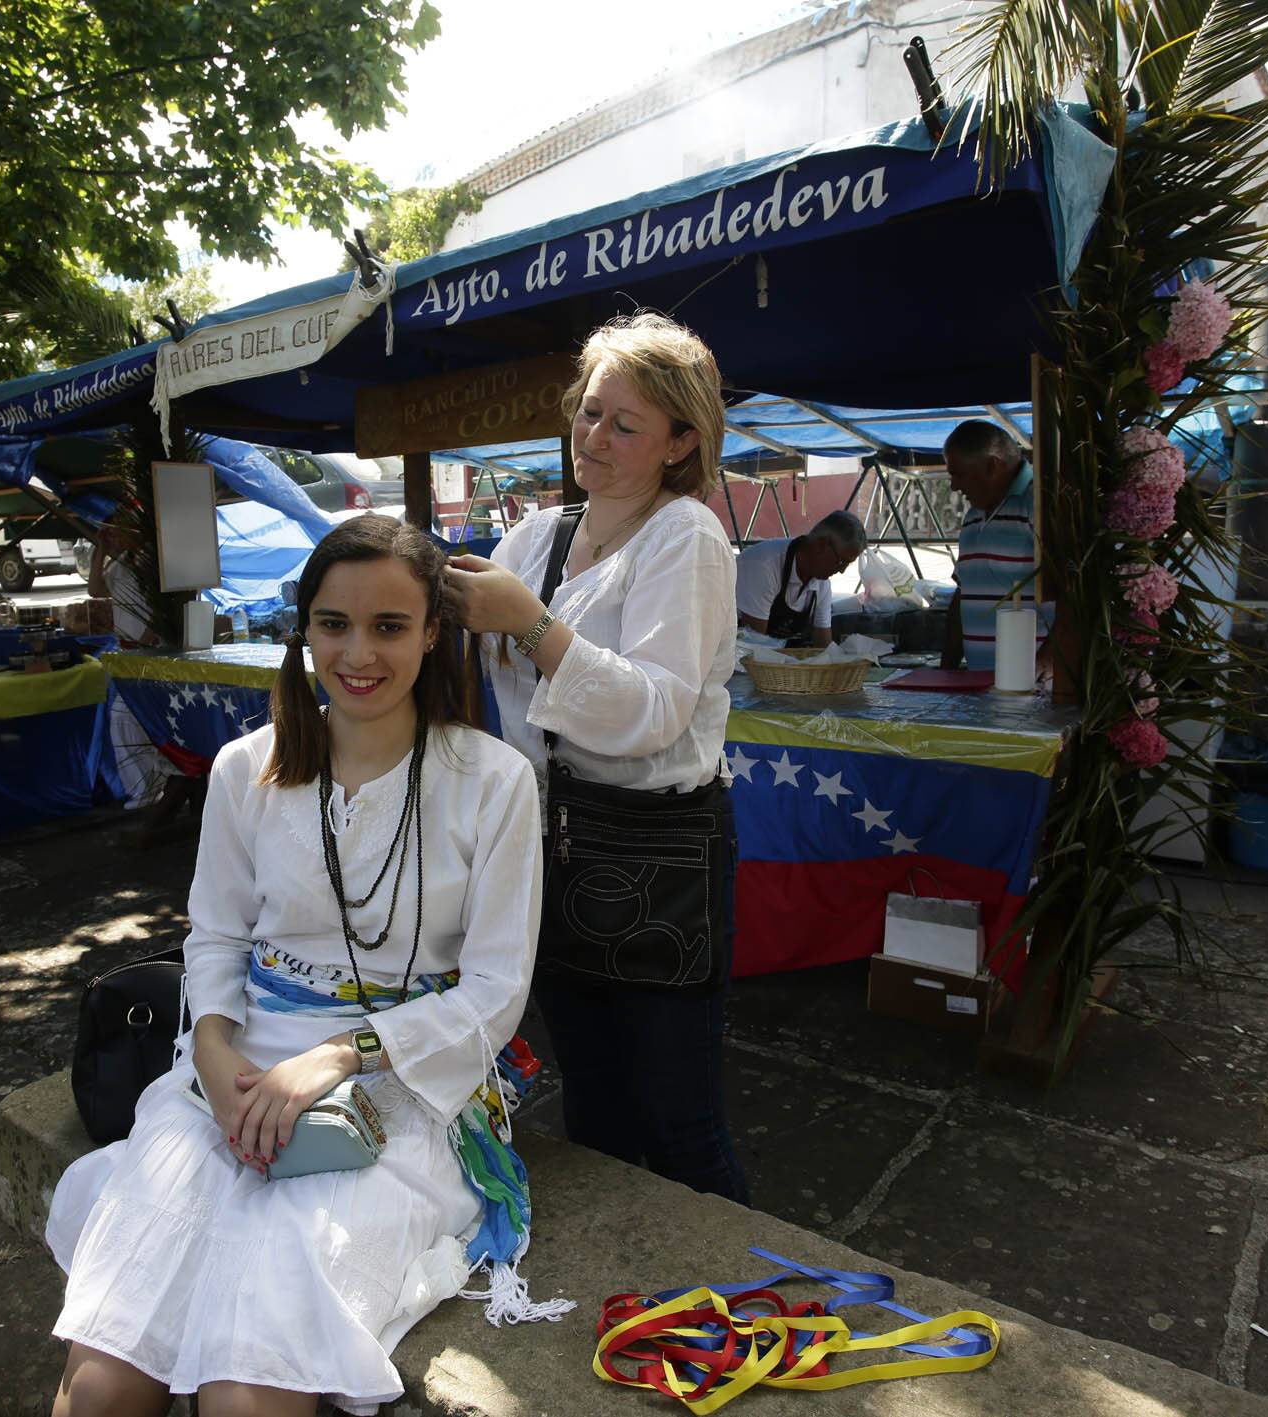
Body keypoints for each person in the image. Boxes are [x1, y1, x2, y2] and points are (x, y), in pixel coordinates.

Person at [45, 515, 545, 1417]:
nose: (358, 653)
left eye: (390, 625)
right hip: (239, 1071)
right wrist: (211, 1052)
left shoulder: (493, 780)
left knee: (249, 1393)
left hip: (399, 1086)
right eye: (333, 624)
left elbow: (497, 992)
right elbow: (216, 938)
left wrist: (342, 1054)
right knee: (106, 1382)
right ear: (304, 628)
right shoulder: (249, 768)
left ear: (434, 632)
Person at [447, 311, 749, 1204]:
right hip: (548, 845)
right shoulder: (536, 538)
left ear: (681, 441)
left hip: (655, 852)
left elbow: (655, 710)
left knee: (679, 1119)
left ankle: (745, 1310)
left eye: (626, 423)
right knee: (595, 1106)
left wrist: (530, 624)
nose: (594, 436)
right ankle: (624, 1290)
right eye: (588, 412)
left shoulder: (685, 535)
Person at [940, 419, 1051, 673]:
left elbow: (1073, 600)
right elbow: (963, 595)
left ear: (992, 466)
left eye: (958, 474)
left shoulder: (1038, 505)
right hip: (979, 682)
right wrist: (947, 670)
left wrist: (1041, 666)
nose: (954, 486)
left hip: (1031, 688)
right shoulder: (972, 517)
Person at [87, 518, 173, 812]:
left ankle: (153, 785)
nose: (114, 537)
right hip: (128, 653)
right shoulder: (121, 563)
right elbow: (95, 589)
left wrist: (154, 630)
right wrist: (100, 549)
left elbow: (168, 601)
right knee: (124, 720)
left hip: (150, 651)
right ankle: (144, 787)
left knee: (137, 719)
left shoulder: (150, 560)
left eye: (116, 532)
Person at [733, 510, 868, 647]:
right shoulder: (764, 566)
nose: (842, 571)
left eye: (847, 564)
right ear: (821, 544)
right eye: (841, 562)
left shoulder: (822, 585)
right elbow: (753, 645)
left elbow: (823, 646)